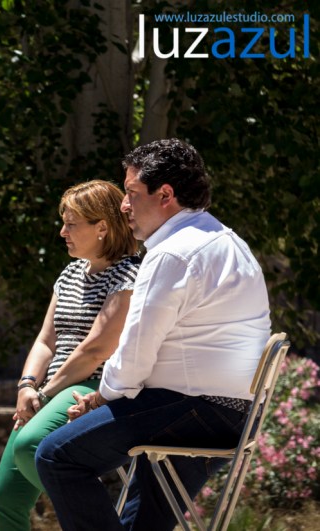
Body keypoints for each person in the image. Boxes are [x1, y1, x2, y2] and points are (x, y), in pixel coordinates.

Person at [34, 138, 271, 531]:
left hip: (188, 409)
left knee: (56, 456)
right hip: (229, 414)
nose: (124, 205)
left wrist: (100, 399)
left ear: (165, 195)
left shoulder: (172, 253)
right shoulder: (230, 242)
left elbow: (134, 355)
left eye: (130, 193)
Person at [0, 180, 140, 530]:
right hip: (51, 390)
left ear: (101, 227)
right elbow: (46, 340)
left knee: (29, 446)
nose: (62, 232)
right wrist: (27, 386)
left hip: (91, 387)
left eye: (71, 224)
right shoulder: (70, 273)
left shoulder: (129, 274)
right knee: (6, 495)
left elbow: (96, 349)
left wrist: (45, 394)